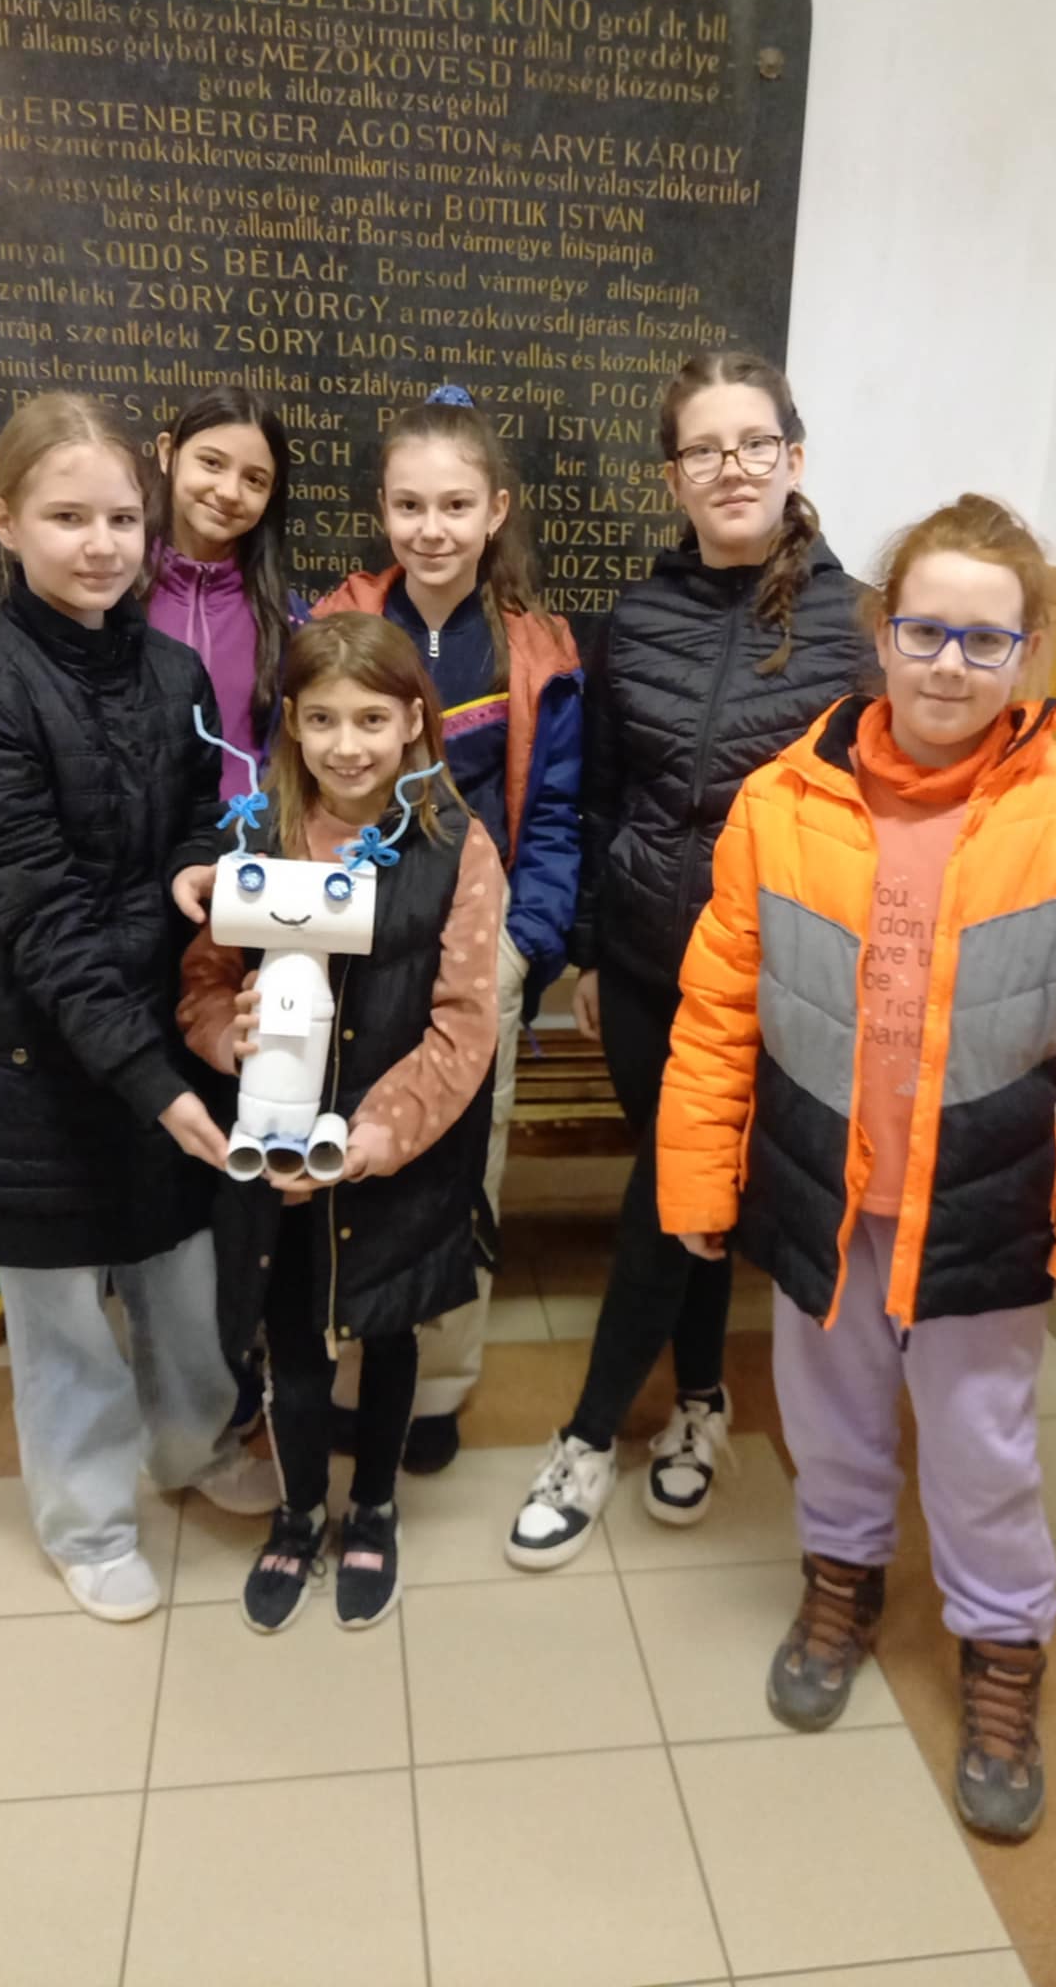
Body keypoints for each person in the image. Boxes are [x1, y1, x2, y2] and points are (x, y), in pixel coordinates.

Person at [655, 493, 1056, 1840]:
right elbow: (719, 1007)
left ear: (1030, 653)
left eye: (985, 639)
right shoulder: (783, 800)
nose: (951, 663)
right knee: (829, 1421)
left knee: (980, 1447)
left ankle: (1003, 1646)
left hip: (984, 1202)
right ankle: (840, 1582)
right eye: (925, 631)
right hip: (820, 1188)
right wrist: (700, 1176)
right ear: (881, 632)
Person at [0, 393, 278, 1627]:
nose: (102, 544)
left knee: (179, 1269)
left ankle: (193, 1446)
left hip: (161, 1023)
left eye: (123, 517)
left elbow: (199, 811)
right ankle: (88, 1519)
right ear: (4, 520)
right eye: (68, 517)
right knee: (63, 1306)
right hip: (34, 1046)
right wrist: (156, 1081)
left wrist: (197, 864)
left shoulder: (173, 668)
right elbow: (44, 918)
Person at [505, 350, 867, 1570]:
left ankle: (588, 1434)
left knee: (676, 1192)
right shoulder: (637, 620)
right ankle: (702, 1399)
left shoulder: (859, 626)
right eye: (704, 449)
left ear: (793, 458)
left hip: (776, 983)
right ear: (673, 475)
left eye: (754, 444)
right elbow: (601, 795)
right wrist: (593, 952)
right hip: (647, 968)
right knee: (691, 1193)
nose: (731, 468)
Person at [178, 611, 503, 1632]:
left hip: (390, 1151)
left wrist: (370, 1138)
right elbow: (202, 987)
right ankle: (299, 1509)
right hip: (273, 1155)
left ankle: (374, 1505)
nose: (347, 744)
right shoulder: (253, 838)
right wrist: (227, 1039)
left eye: (371, 718)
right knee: (293, 1338)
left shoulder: (457, 849)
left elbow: (464, 1022)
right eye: (321, 718)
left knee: (389, 1327)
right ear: (290, 724)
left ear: (414, 720)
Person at [314, 386, 581, 1474]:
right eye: (410, 505)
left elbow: (554, 818)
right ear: (382, 508)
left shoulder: (538, 650)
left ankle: (438, 1391)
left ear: (496, 510)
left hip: (478, 957)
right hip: (349, 949)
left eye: (456, 505)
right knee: (351, 1147)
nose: (432, 528)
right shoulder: (335, 628)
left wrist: (525, 947)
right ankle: (342, 1376)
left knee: (465, 1167)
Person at [143, 384, 302, 800]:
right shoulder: (114, 598)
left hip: (247, 837)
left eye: (254, 479)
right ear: (168, 452)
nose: (230, 492)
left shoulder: (287, 622)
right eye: (212, 463)